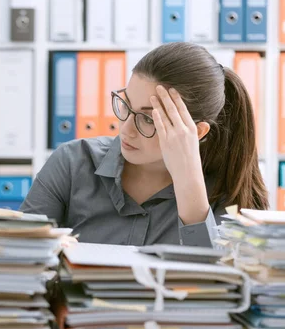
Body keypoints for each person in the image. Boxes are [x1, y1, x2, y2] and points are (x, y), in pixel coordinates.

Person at [20, 42, 268, 247]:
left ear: (197, 131)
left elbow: (214, 286)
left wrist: (188, 182)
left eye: (148, 118)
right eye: (126, 106)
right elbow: (19, 254)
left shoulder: (230, 191)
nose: (126, 129)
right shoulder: (72, 162)